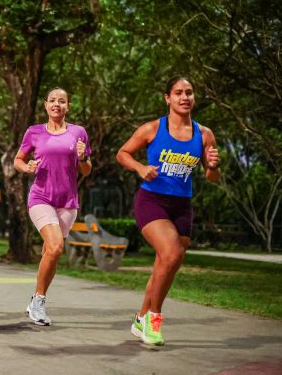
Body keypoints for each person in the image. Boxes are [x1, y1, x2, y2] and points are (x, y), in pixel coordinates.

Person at [117, 76, 220, 346]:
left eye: (189, 92)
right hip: (152, 201)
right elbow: (122, 154)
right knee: (171, 252)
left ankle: (140, 318)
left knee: (168, 262)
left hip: (182, 206)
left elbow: (212, 178)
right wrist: (140, 168)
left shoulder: (205, 134)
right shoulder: (152, 129)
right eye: (178, 93)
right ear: (167, 98)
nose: (185, 97)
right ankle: (154, 318)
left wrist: (212, 166)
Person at [14, 88, 92, 326]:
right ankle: (39, 302)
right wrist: (26, 167)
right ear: (45, 105)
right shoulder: (34, 132)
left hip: (67, 201)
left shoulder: (78, 132)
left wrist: (82, 158)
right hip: (40, 197)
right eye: (52, 101)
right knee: (56, 246)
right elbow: (18, 159)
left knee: (52, 251)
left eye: (62, 101)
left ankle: (36, 299)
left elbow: (87, 170)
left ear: (68, 106)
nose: (56, 104)